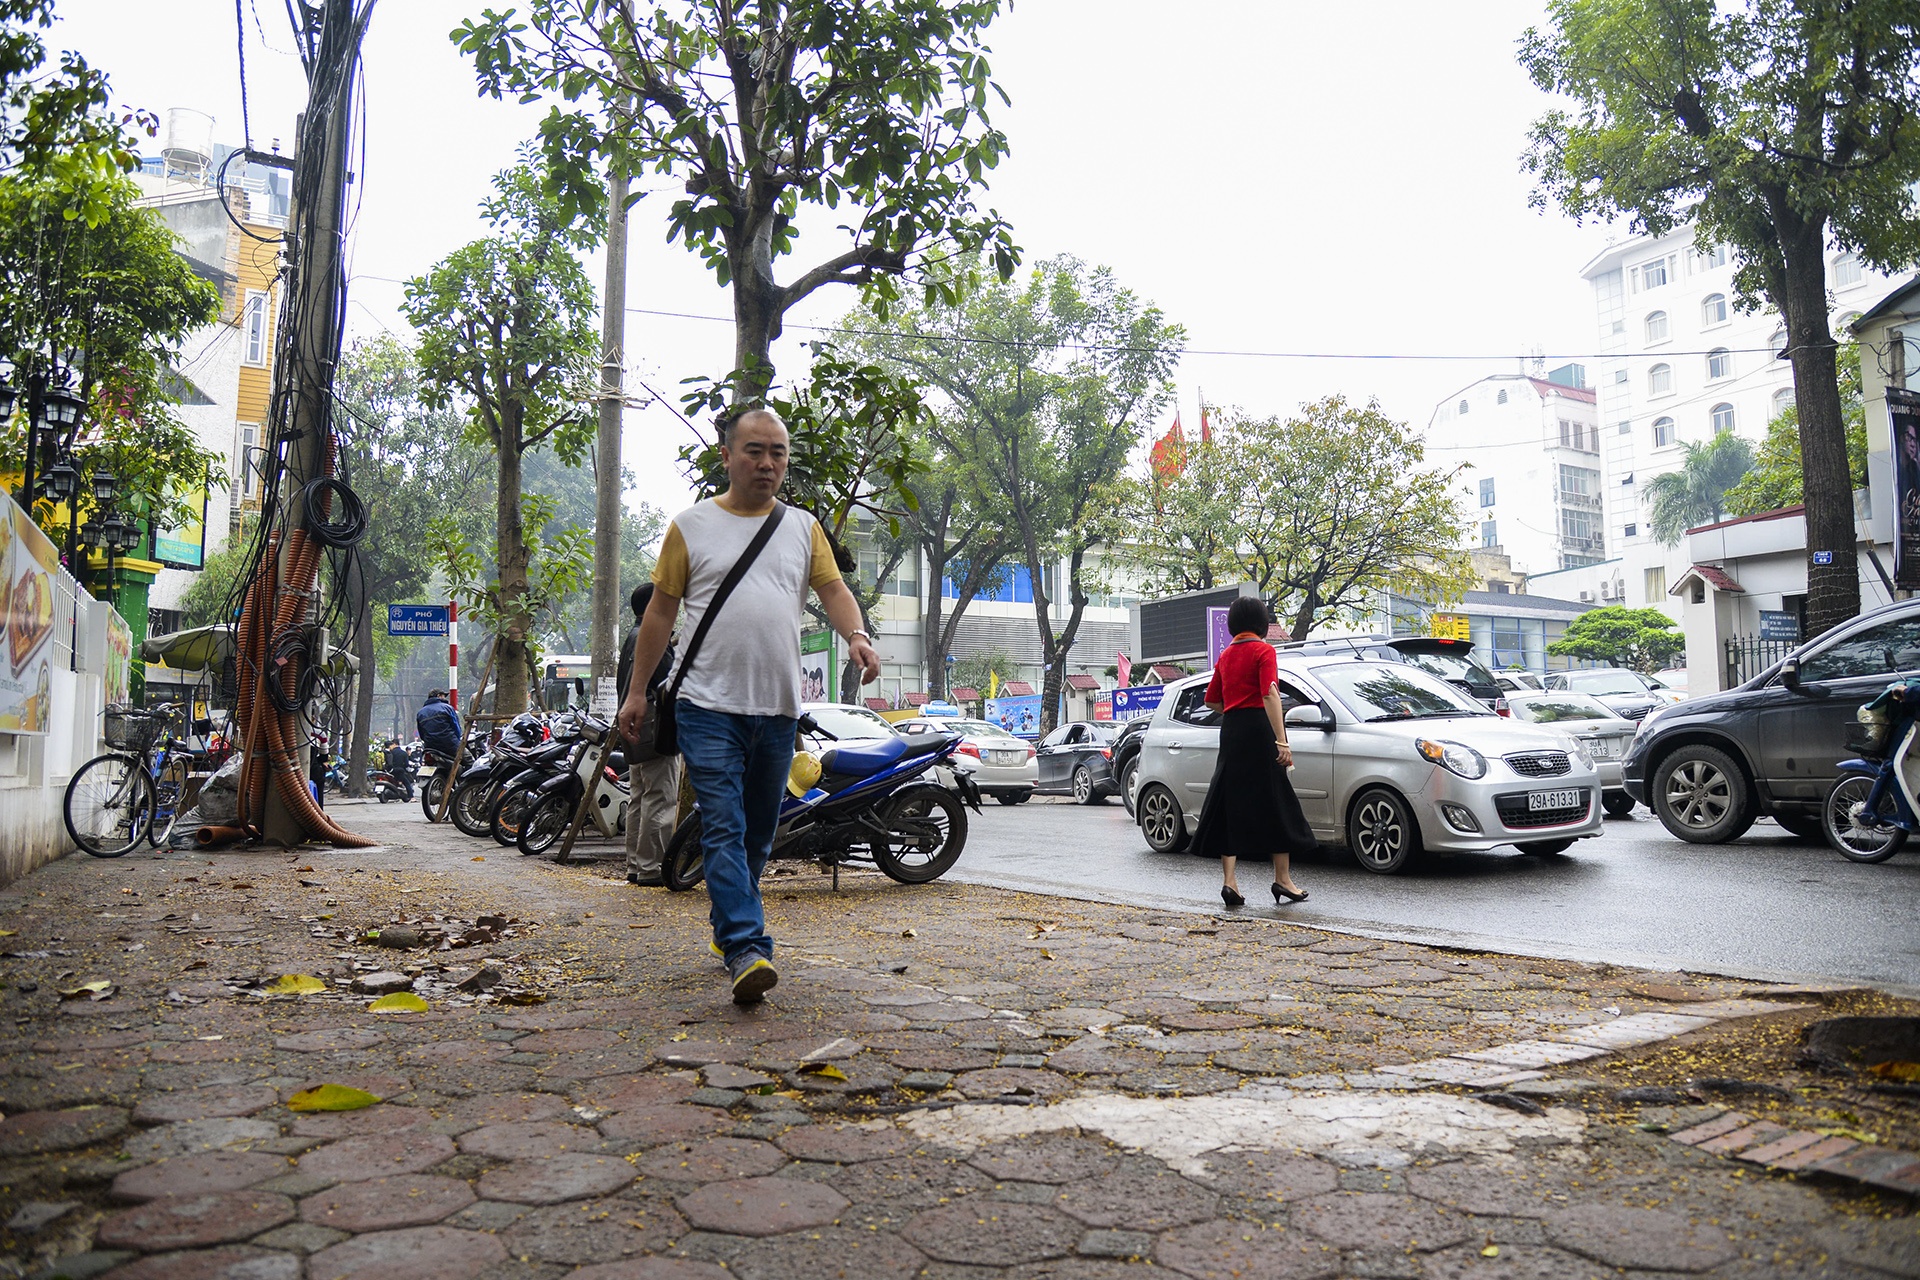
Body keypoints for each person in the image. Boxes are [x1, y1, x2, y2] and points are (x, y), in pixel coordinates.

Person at [617, 408, 879, 1004]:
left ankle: (726, 925)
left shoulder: (802, 527)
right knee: (725, 824)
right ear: (728, 455)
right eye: (755, 451)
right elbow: (659, 613)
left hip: (779, 707)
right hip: (707, 706)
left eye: (778, 453)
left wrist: (856, 636)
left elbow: (833, 590)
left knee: (760, 830)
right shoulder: (691, 526)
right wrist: (636, 692)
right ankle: (745, 947)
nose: (767, 463)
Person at [1188, 596, 1311, 906]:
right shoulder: (1263, 650)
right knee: (1276, 800)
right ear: (1261, 623)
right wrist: (1281, 741)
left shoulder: (1226, 655)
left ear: (1232, 625)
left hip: (1231, 730)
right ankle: (1282, 879)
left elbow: (1211, 700)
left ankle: (1230, 882)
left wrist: (1234, 708)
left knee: (1230, 801)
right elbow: (1270, 694)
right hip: (1258, 728)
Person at [617, 582, 679, 887]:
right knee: (661, 798)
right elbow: (672, 680)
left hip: (636, 729)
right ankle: (652, 867)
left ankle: (636, 864)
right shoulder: (652, 636)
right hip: (656, 729)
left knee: (639, 797)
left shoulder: (633, 637)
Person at [416, 689, 462, 763]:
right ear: (439, 696)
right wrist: (457, 740)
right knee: (468, 760)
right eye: (444, 696)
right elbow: (456, 728)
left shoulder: (420, 713)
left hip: (430, 747)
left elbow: (421, 734)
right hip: (450, 744)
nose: (444, 698)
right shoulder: (447, 708)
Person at [382, 736, 414, 801]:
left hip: (388, 771)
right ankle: (412, 797)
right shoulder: (403, 753)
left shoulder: (389, 752)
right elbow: (406, 764)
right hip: (399, 772)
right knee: (407, 783)